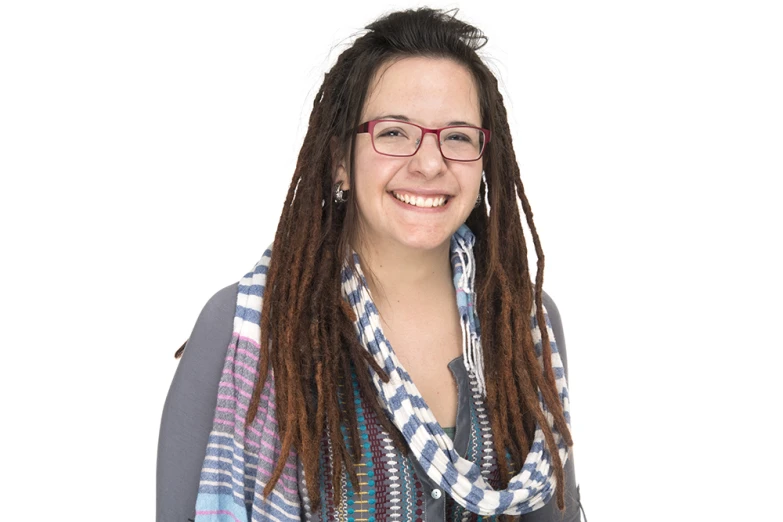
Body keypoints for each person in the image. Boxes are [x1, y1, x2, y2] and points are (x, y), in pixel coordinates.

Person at [158, 8, 582, 522]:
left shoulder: (522, 322)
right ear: (340, 158)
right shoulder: (242, 329)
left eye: (458, 136)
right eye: (395, 132)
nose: (429, 163)